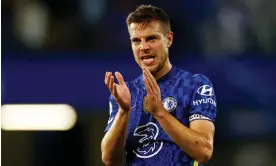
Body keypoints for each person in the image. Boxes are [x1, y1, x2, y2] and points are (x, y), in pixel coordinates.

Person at [101, 4, 217, 166]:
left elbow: (204, 151)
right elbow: (109, 159)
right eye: (136, 41)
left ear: (168, 39)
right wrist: (123, 111)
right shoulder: (125, 93)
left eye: (151, 38)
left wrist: (160, 112)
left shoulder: (195, 85)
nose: (144, 47)